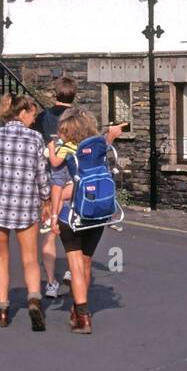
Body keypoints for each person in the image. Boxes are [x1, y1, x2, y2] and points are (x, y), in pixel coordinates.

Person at [0, 92, 51, 330]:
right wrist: (47, 201)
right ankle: (34, 299)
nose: (34, 120)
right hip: (26, 205)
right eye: (32, 115)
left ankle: (2, 311)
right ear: (22, 112)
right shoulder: (35, 139)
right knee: (30, 258)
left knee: (1, 257)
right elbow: (41, 175)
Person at [50, 108, 121, 335]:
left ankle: (83, 317)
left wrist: (52, 214)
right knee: (86, 262)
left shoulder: (67, 153)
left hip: (72, 216)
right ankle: (75, 309)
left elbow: (58, 187)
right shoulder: (99, 150)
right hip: (98, 214)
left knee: (76, 266)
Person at [34, 74, 78, 298]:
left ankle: (51, 283)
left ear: (55, 93)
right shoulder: (79, 119)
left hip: (49, 181)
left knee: (50, 234)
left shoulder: (42, 117)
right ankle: (72, 271)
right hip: (72, 181)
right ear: (74, 94)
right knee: (74, 231)